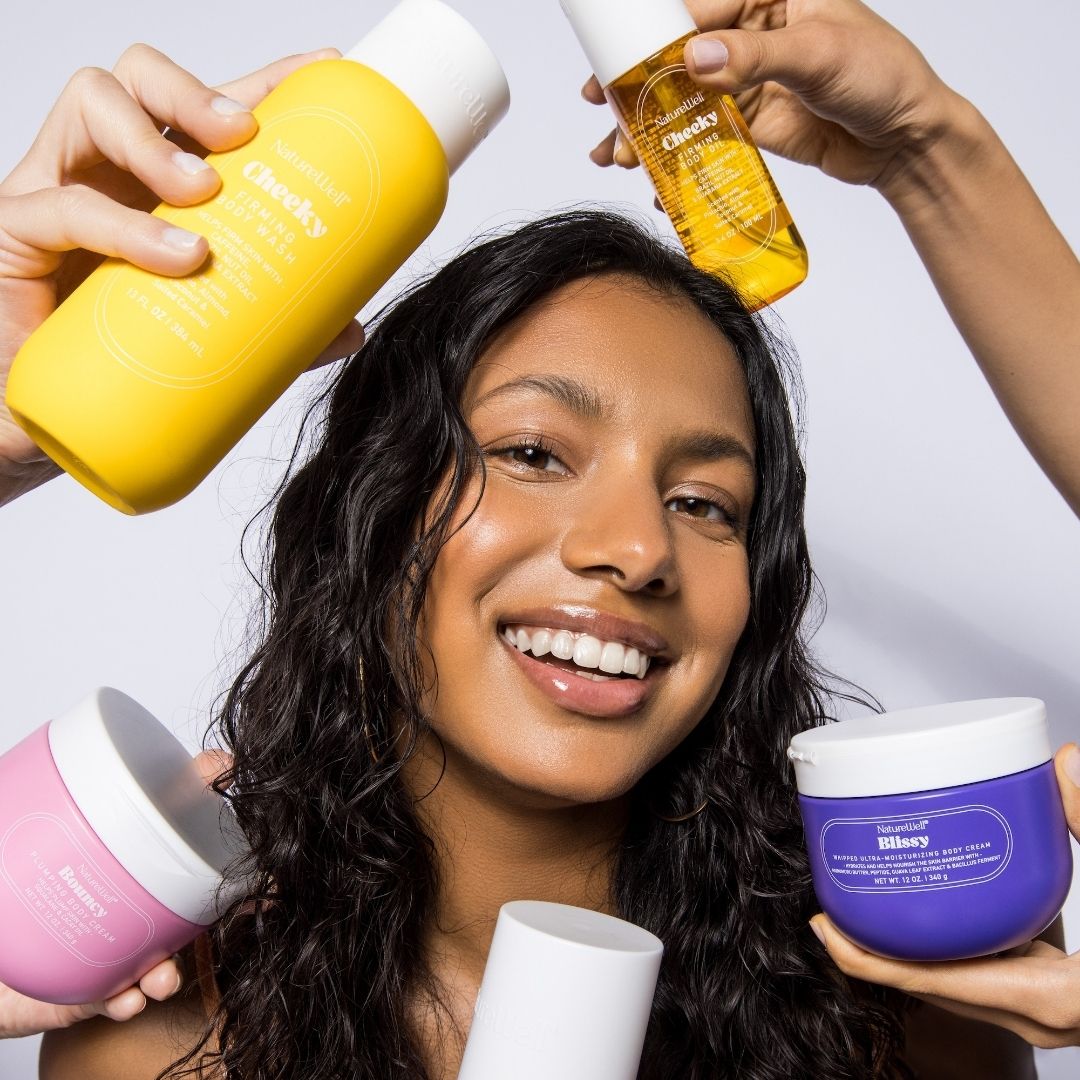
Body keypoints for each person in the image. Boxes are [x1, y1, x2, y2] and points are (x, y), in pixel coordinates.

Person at [0, 2, 1074, 1078]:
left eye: (706, 503)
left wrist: (935, 145)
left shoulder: (904, 1004)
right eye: (532, 454)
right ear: (371, 512)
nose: (636, 550)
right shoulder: (171, 1028)